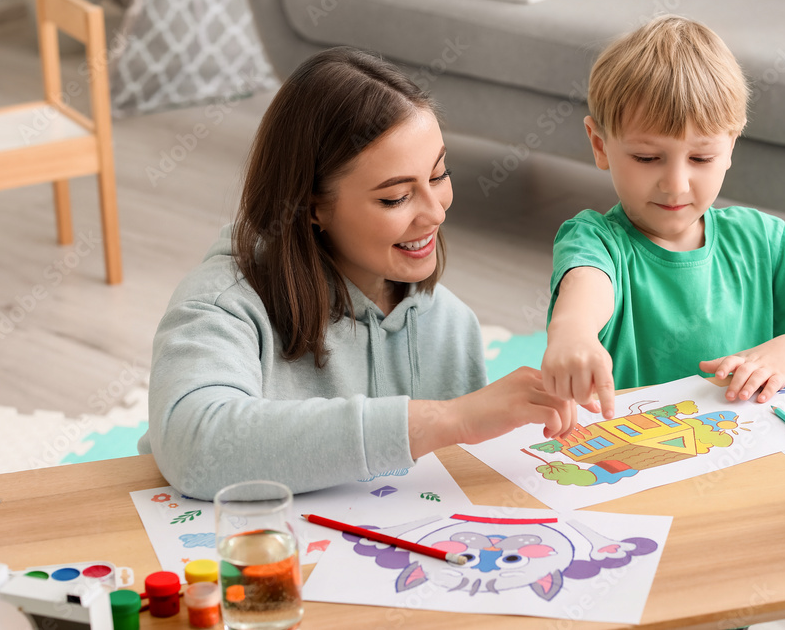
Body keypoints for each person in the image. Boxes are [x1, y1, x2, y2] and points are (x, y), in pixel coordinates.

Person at [139, 47, 586, 499]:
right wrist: (449, 420)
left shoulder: (448, 324)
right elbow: (195, 447)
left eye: (438, 175)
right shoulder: (222, 304)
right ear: (312, 207)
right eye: (395, 198)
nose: (435, 213)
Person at [541, 16, 785, 420]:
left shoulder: (762, 240)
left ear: (730, 148)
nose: (675, 185)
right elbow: (586, 288)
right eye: (647, 158)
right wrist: (572, 332)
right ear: (600, 145)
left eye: (701, 158)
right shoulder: (593, 239)